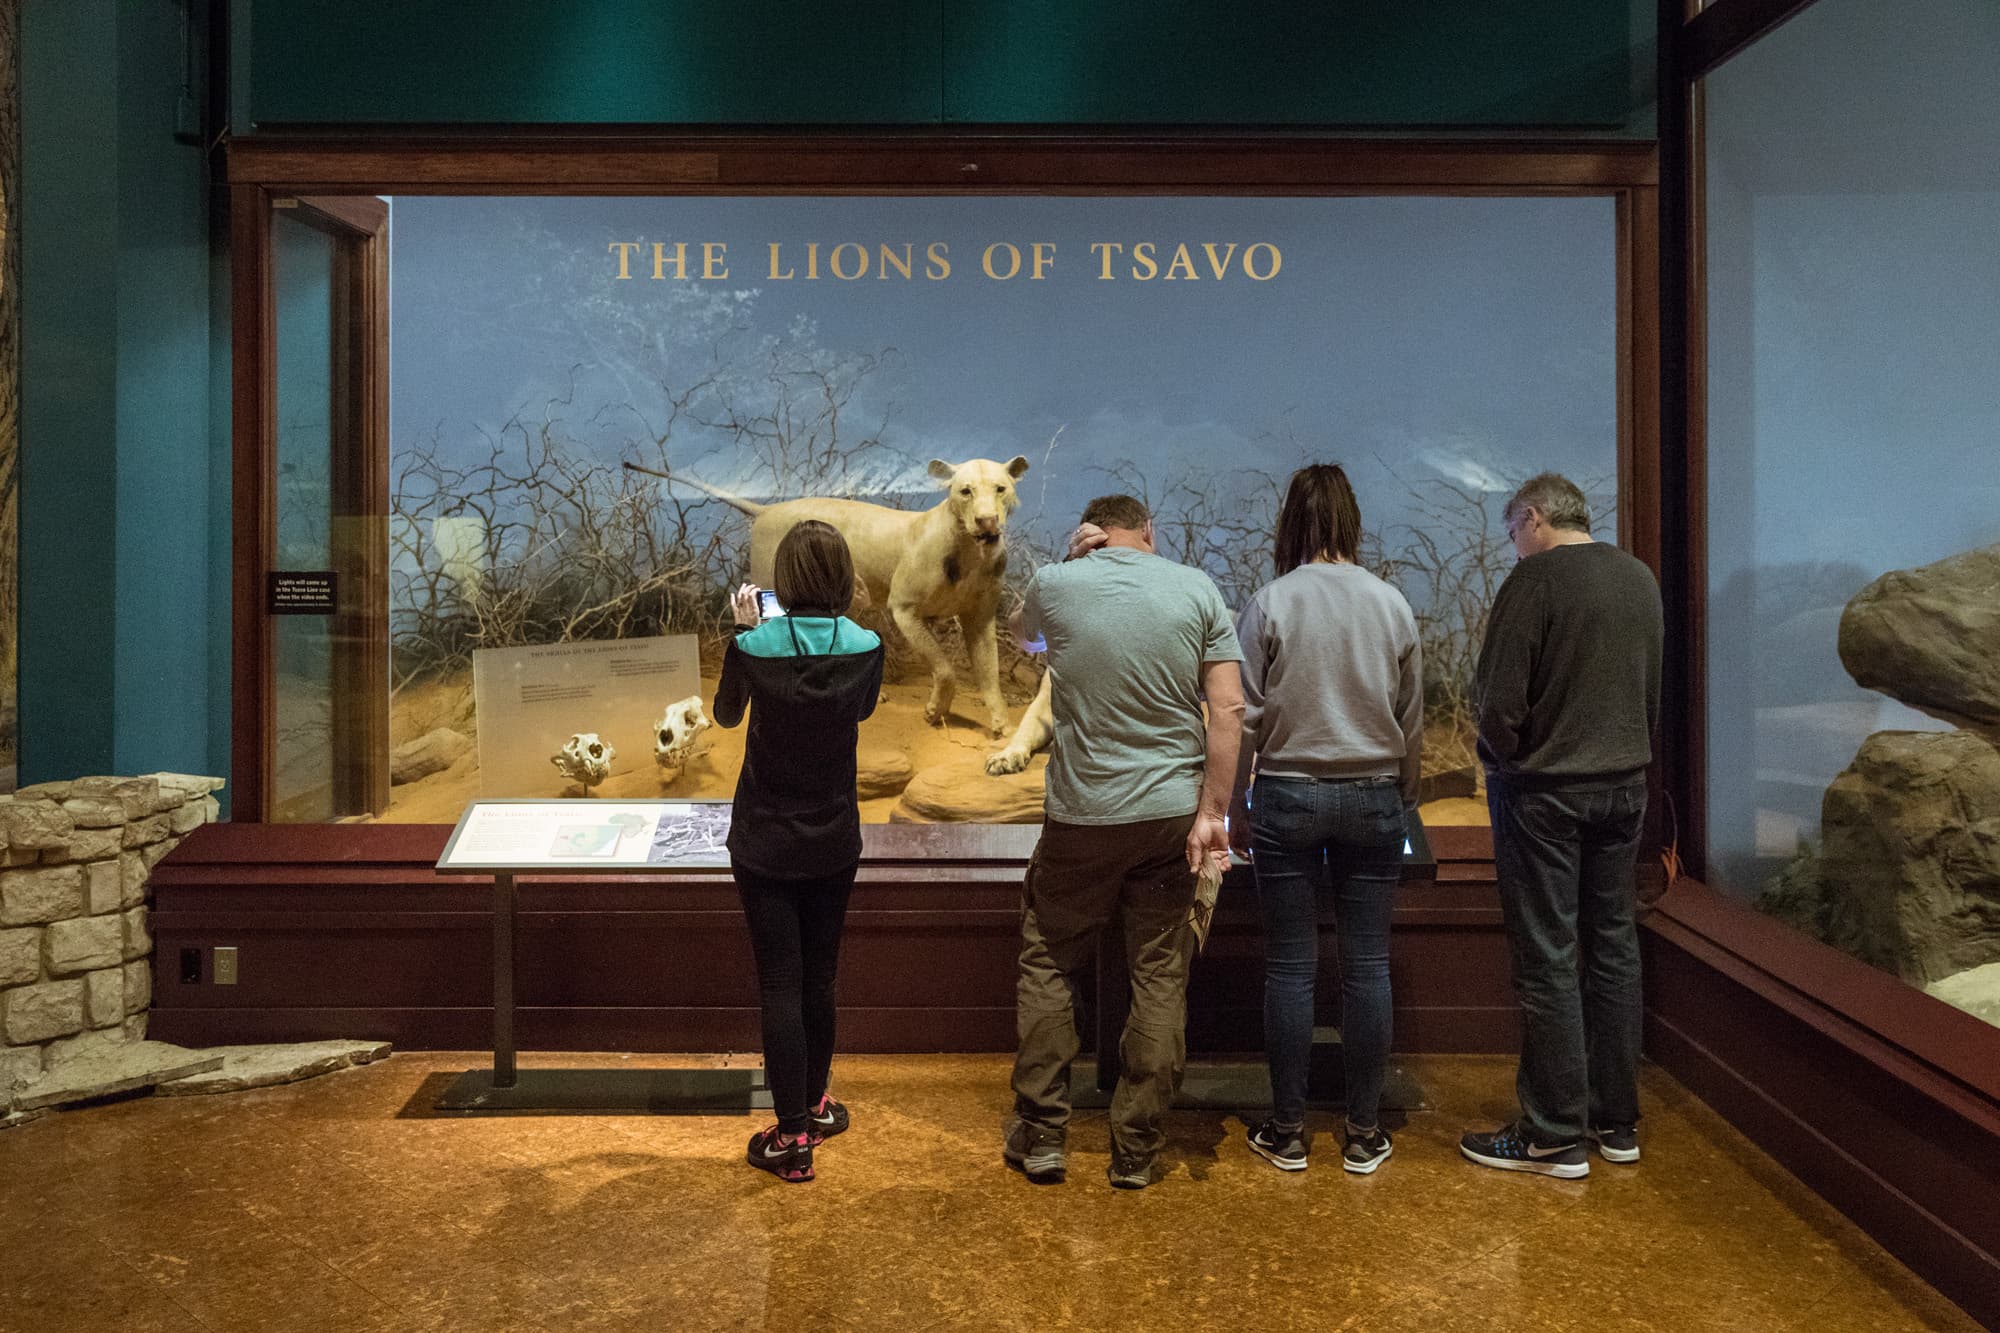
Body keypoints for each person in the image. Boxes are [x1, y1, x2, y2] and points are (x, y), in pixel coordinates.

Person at [1001, 494, 1245, 1190]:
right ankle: (1135, 1146)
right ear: (1149, 534)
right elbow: (1228, 707)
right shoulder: (1197, 587)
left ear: (1093, 535)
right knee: (1160, 972)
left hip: (1080, 817)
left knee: (1049, 956)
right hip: (1171, 814)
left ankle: (1044, 1134)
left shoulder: (1056, 583)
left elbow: (1025, 638)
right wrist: (1214, 811)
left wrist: (1065, 564)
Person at [1459, 473, 1662, 1179]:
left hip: (1546, 792)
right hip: (1625, 786)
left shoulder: (1535, 582)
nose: (1513, 546)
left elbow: (1496, 700)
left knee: (1547, 952)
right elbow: (1651, 690)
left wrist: (1502, 760)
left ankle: (1551, 1133)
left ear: (1534, 517)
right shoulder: (1638, 578)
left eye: (1513, 530)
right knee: (1613, 944)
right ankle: (1618, 1119)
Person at [1228, 463, 1422, 1174]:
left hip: (1288, 794)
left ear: (1293, 521)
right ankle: (1364, 1132)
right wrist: (1405, 797)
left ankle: (1287, 1131)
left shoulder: (1271, 601)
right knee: (1368, 965)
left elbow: (1244, 715)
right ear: (1350, 519)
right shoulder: (1391, 603)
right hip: (1373, 793)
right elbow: (1412, 717)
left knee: (1291, 965)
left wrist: (1235, 805)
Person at [714, 519, 885, 1183]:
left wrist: (740, 634)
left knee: (780, 983)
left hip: (764, 840)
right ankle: (815, 1104)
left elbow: (729, 715)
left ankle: (791, 1138)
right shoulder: (867, 645)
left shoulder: (756, 643)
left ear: (781, 581)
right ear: (843, 580)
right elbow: (864, 709)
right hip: (835, 837)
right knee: (821, 976)